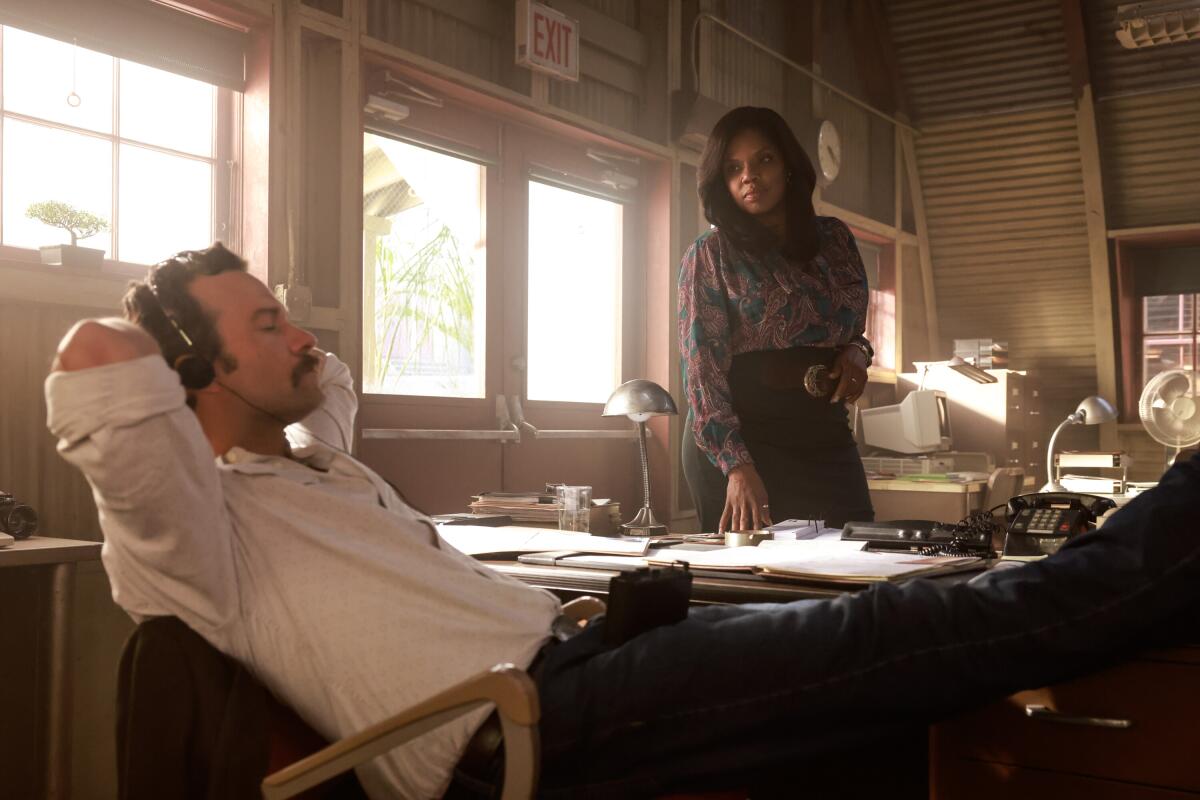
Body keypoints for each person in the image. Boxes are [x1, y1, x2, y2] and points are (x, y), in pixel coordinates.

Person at [49, 244, 1200, 799]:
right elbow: (96, 361)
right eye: (265, 322)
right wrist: (168, 328)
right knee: (907, 631)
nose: (303, 335)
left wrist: (258, 340)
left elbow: (325, 379)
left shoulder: (311, 472)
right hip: (538, 716)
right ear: (191, 362)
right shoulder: (188, 541)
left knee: (903, 645)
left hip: (589, 656)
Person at [679, 105, 876, 533]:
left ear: (789, 166)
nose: (749, 175)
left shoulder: (836, 240)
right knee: (760, 581)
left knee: (858, 555)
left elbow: (851, 327)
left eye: (764, 159)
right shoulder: (710, 255)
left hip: (823, 433)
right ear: (722, 182)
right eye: (734, 168)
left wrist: (859, 352)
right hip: (744, 445)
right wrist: (736, 466)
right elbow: (702, 370)